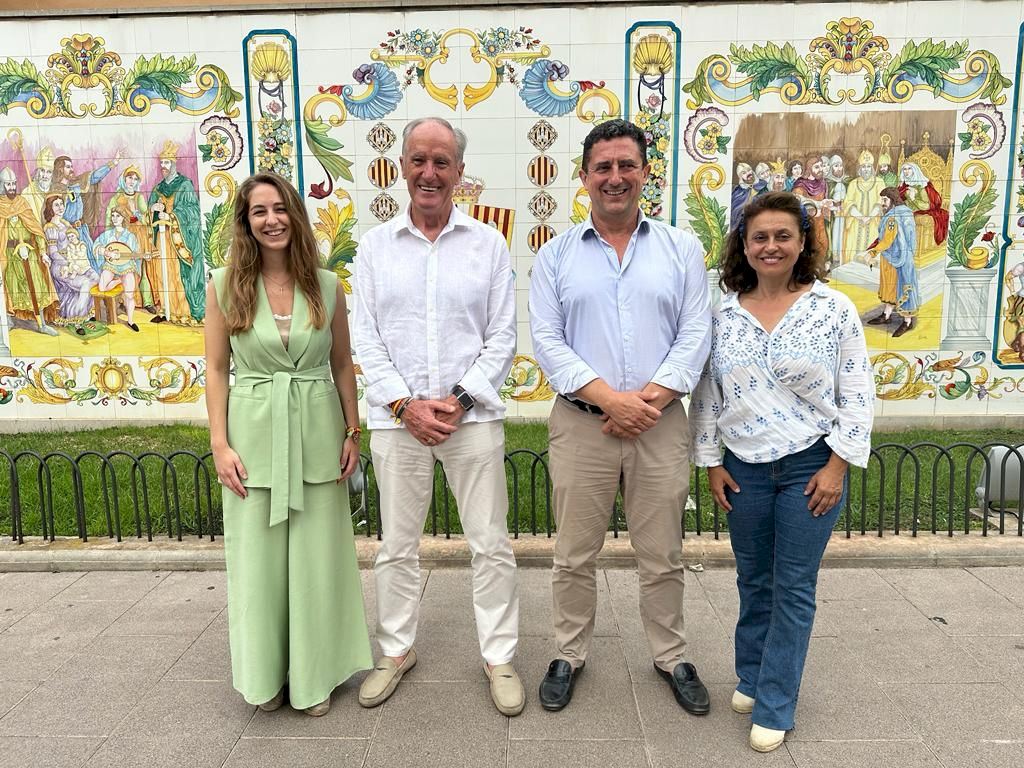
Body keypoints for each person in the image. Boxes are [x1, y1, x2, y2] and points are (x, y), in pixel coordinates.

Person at [530, 119, 712, 714]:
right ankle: (568, 653)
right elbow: (548, 341)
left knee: (662, 553)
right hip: (583, 423)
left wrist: (645, 402)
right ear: (584, 177)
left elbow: (695, 333)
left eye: (626, 165)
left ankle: (671, 655)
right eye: (603, 167)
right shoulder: (555, 255)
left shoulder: (681, 249)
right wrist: (612, 401)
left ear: (645, 173)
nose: (615, 177)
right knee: (573, 553)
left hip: (660, 422)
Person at [689, 191, 873, 753]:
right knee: (753, 580)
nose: (771, 246)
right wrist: (711, 462)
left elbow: (857, 390)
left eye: (782, 236)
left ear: (802, 243)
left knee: (792, 586)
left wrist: (838, 464)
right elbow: (707, 392)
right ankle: (751, 676)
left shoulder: (832, 308)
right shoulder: (722, 314)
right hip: (743, 467)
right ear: (744, 246)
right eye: (760, 237)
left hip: (810, 465)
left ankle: (775, 702)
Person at [353, 117, 523, 716]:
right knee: (396, 546)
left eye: (442, 162)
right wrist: (404, 405)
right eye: (419, 160)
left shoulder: (488, 244)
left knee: (491, 544)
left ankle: (499, 656)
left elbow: (502, 335)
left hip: (469, 420)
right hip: (396, 422)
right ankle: (396, 650)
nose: (430, 173)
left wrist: (461, 399)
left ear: (459, 171)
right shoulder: (375, 248)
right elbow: (365, 337)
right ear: (402, 166)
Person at [204, 172, 371, 717]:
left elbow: (341, 363)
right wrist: (220, 444)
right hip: (252, 439)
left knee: (317, 562)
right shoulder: (224, 286)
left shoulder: (326, 285)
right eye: (259, 211)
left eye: (280, 209)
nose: (271, 220)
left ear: (295, 216)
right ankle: (265, 675)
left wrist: (352, 431)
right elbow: (216, 368)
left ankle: (314, 676)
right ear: (245, 222)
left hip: (318, 434)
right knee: (257, 565)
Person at [0, 168, 59, 336]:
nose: (12, 187)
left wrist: (43, 252)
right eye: (8, 184)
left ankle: (41, 325)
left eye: (13, 184)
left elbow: (36, 229)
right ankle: (10, 320)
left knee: (37, 288)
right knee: (11, 289)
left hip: (29, 254)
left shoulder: (22, 203)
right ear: (2, 185)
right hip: (9, 256)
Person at [865, 187, 919, 337]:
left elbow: (887, 240)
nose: (882, 203)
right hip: (893, 257)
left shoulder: (892, 218)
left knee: (902, 288)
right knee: (891, 288)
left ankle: (907, 322)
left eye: (885, 200)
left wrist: (872, 252)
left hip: (898, 258)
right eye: (882, 200)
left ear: (893, 200)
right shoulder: (903, 213)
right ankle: (886, 314)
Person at [42, 194, 95, 334]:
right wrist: (69, 263)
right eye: (56, 205)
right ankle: (77, 320)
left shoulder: (65, 224)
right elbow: (53, 253)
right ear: (50, 208)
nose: (61, 207)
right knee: (85, 283)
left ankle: (87, 313)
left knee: (95, 277)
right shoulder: (50, 227)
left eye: (62, 204)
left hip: (73, 262)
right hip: (60, 266)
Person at [93, 206, 143, 331]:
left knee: (129, 295)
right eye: (113, 216)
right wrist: (107, 252)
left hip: (126, 266)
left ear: (123, 218)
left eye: (118, 216)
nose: (115, 218)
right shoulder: (107, 235)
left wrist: (139, 256)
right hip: (111, 265)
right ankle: (119, 281)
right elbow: (96, 246)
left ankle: (130, 321)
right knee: (102, 288)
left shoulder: (130, 236)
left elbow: (135, 254)